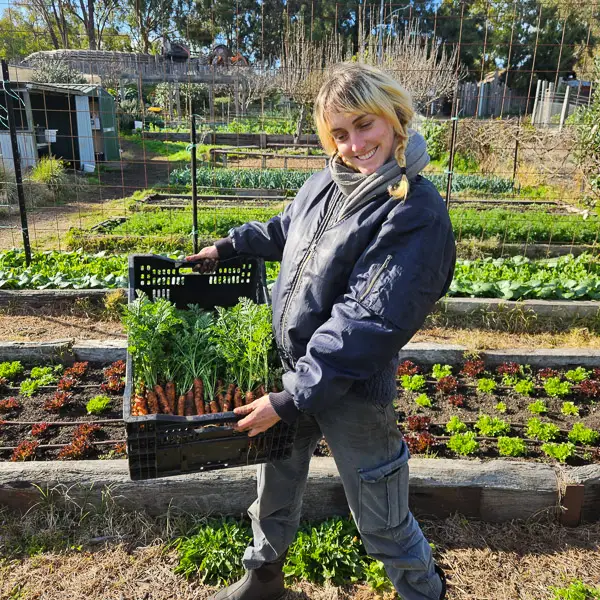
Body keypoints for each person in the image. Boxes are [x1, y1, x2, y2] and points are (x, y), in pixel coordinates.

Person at [186, 62, 456, 600]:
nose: (353, 145)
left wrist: (291, 399)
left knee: (380, 513)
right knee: (274, 489)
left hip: (349, 388)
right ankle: (262, 581)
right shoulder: (325, 185)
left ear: (395, 119)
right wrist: (229, 247)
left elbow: (367, 318)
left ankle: (423, 591)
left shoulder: (414, 211)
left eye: (364, 125)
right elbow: (288, 228)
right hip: (294, 372)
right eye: (338, 132)